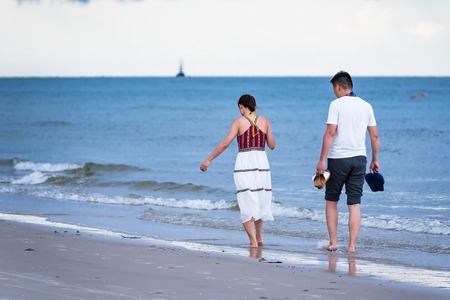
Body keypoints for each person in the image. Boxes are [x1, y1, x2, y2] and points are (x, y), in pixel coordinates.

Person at [316, 71, 380, 253]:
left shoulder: (336, 105)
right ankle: (352, 246)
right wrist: (375, 160)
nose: (333, 92)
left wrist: (321, 160)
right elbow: (374, 136)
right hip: (360, 159)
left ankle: (334, 242)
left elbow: (330, 133)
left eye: (333, 88)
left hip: (338, 159)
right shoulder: (367, 106)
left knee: (331, 200)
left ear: (338, 86)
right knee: (354, 203)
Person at [200, 94, 276, 248]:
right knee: (261, 197)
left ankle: (253, 241)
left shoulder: (238, 122)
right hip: (262, 163)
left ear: (242, 106)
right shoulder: (265, 121)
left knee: (246, 199)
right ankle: (260, 238)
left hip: (245, 163)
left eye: (239, 107)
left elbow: (225, 143)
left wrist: (209, 159)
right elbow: (272, 145)